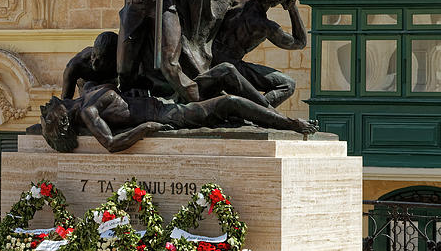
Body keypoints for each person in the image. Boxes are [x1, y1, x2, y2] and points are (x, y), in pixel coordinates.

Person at [40, 73, 315, 154]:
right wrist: (145, 129)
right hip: (169, 114)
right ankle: (289, 124)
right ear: (63, 118)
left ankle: (266, 115)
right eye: (47, 113)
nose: (46, 105)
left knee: (225, 72)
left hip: (164, 96)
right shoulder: (89, 111)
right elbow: (111, 144)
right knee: (229, 102)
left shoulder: (85, 89)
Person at [212, 0, 307, 108]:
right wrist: (292, 7)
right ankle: (253, 114)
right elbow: (300, 42)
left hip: (211, 57)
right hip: (231, 67)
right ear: (276, 1)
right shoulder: (264, 26)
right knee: (287, 84)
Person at [61, 31, 118, 99]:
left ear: (112, 60)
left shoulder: (121, 65)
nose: (94, 63)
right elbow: (65, 101)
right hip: (87, 100)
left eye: (100, 59)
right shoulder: (77, 65)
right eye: (93, 55)